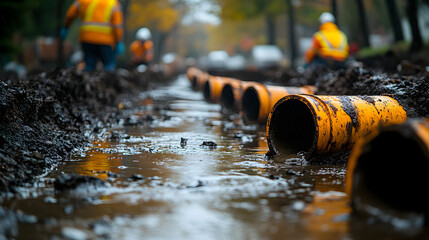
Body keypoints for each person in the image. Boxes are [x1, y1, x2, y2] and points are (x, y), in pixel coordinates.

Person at [61, 0, 124, 71]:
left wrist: (66, 27)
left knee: (89, 65)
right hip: (105, 40)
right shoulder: (112, 3)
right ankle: (108, 80)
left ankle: (87, 80)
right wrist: (118, 41)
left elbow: (70, 14)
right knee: (108, 65)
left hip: (86, 38)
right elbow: (117, 25)